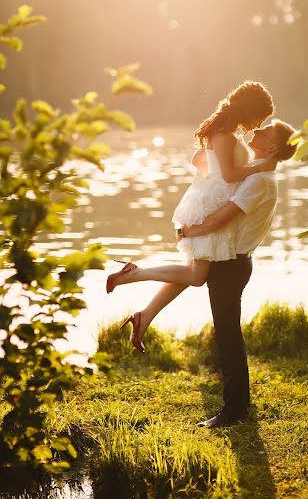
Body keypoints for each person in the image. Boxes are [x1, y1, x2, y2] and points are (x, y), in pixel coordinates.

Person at [107, 117, 296, 428]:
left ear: (273, 146)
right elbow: (207, 167)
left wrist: (187, 230)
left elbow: (222, 218)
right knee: (213, 311)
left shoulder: (260, 181)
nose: (255, 131)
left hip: (232, 265)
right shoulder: (256, 173)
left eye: (264, 131)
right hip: (229, 261)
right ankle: (236, 408)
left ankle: (233, 412)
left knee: (228, 339)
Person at [106, 80, 275, 323]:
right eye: (260, 117)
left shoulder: (223, 132)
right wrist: (260, 168)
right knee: (196, 276)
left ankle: (144, 315)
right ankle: (134, 274)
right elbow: (229, 175)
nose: (259, 124)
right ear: (249, 109)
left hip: (210, 200)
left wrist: (216, 173)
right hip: (212, 206)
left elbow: (198, 159)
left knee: (191, 273)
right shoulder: (224, 134)